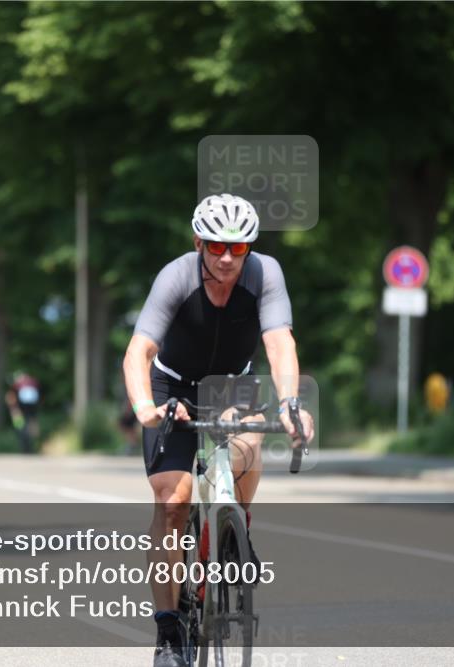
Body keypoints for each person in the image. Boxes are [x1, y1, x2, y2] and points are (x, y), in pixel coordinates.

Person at [122, 193, 314, 667]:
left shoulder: (265, 274)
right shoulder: (177, 276)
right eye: (215, 247)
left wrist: (290, 403)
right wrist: (147, 407)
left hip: (230, 385)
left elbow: (279, 342)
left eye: (238, 249)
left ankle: (236, 528)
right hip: (172, 387)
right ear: (198, 243)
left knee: (250, 437)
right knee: (173, 501)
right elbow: (139, 352)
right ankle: (169, 631)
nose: (227, 258)